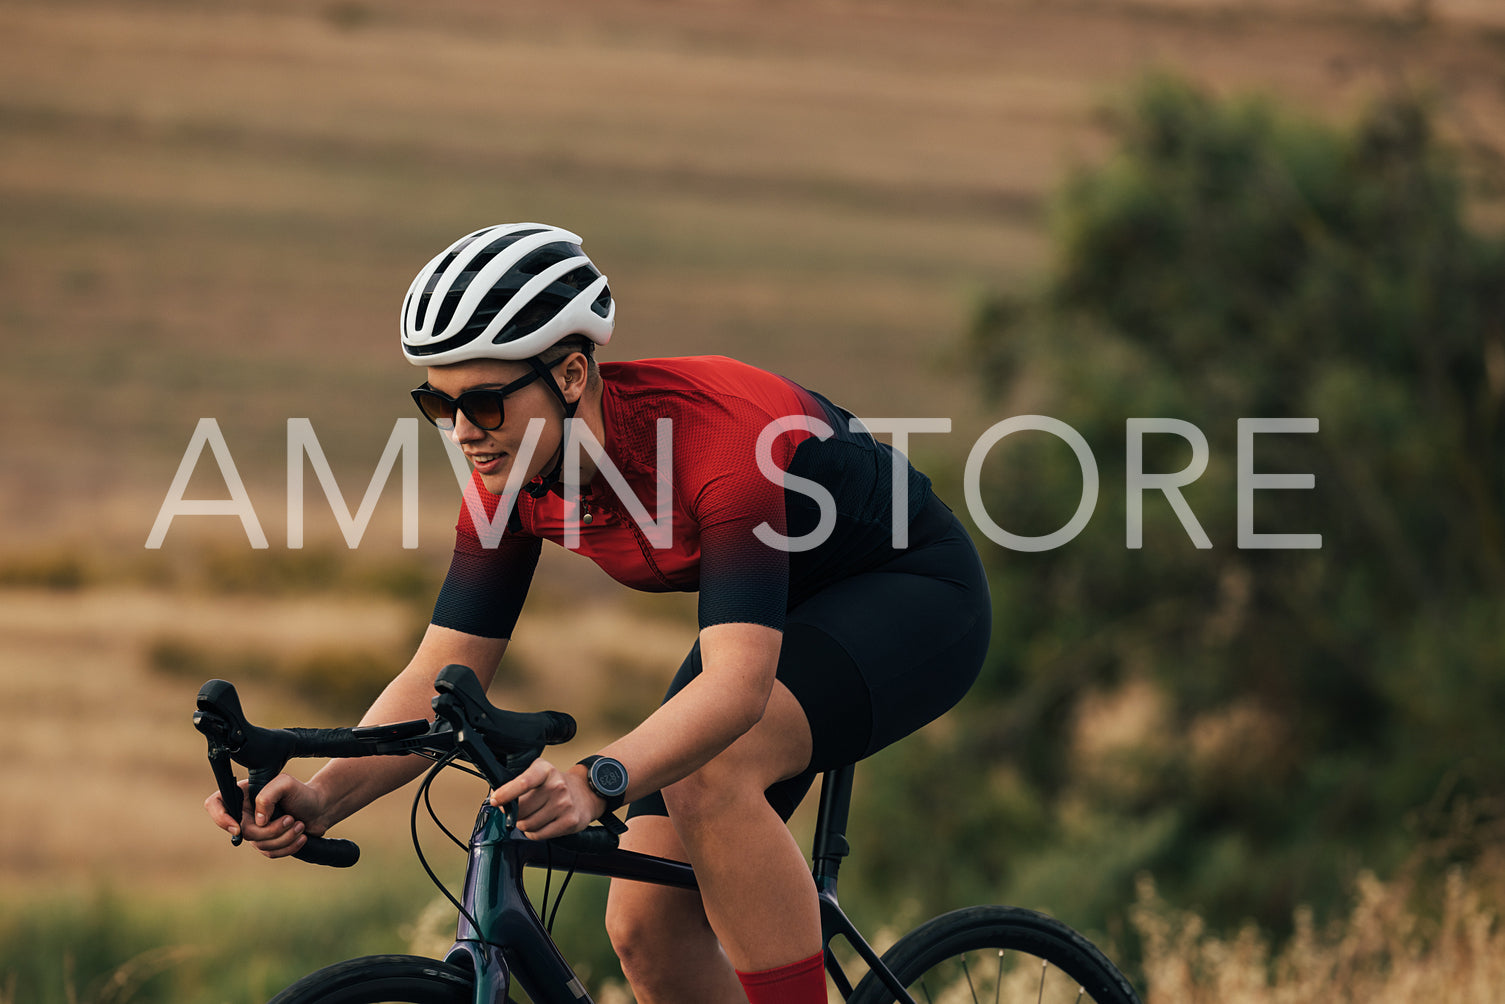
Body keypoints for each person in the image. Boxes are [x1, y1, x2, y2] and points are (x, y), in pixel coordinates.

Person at [205, 222, 992, 1004]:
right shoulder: (507, 480)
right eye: (437, 405)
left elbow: (738, 689)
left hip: (911, 595)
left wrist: (595, 782)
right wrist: (322, 796)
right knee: (646, 928)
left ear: (573, 373)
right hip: (776, 613)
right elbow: (439, 674)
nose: (463, 433)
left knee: (712, 772)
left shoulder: (722, 444)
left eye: (483, 402)